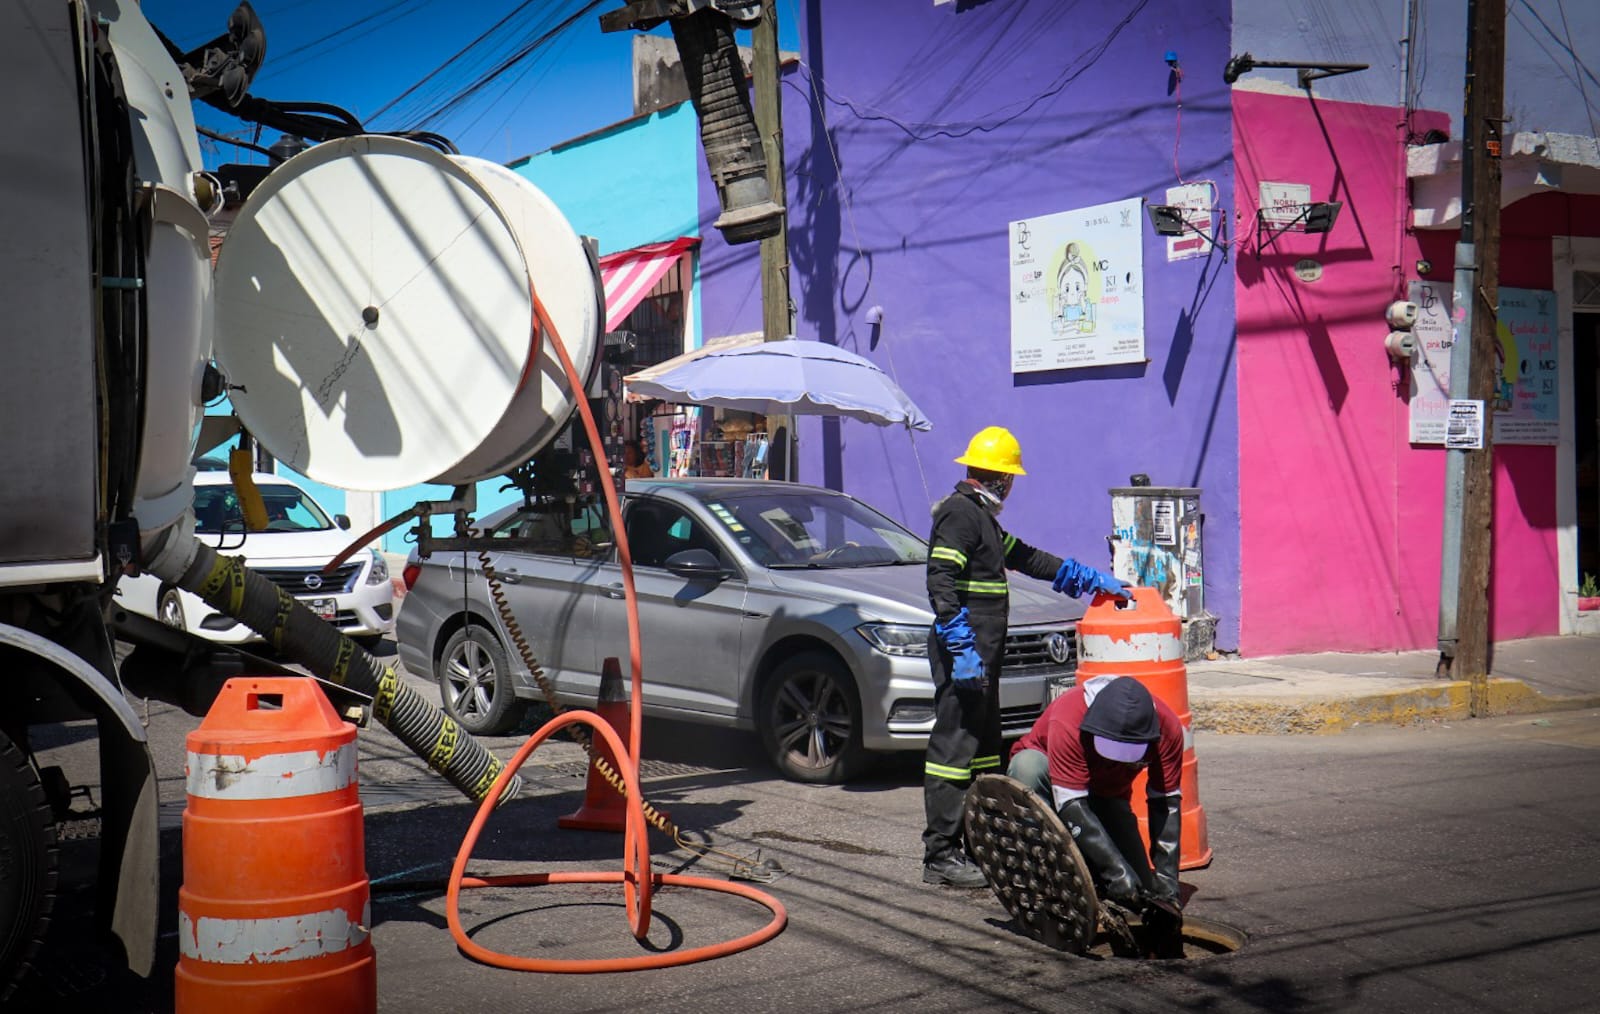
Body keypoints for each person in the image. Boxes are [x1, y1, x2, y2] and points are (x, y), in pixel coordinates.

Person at [922, 425, 1129, 888]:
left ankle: (979, 842)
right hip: (965, 654)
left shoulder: (981, 519)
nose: (1012, 486)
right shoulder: (959, 513)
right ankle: (940, 856)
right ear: (1001, 478)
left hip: (982, 654)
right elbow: (940, 580)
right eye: (1011, 478)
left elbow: (1028, 558)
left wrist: (1086, 578)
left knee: (982, 752)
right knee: (953, 751)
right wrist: (960, 646)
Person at [1007, 674, 1186, 954]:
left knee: (1140, 893)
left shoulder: (1168, 728)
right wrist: (1115, 871)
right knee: (1027, 767)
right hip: (1052, 787)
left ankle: (1099, 876)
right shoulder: (1069, 716)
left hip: (1106, 797)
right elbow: (1071, 804)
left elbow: (1165, 804)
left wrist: (1168, 892)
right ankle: (1042, 872)